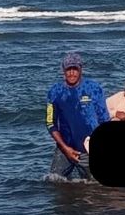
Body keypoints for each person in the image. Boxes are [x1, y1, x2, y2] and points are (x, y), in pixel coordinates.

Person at [46, 52, 110, 180]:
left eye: (75, 69)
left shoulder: (94, 88)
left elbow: (104, 119)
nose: (71, 73)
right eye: (68, 69)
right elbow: (50, 123)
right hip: (65, 149)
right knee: (53, 182)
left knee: (97, 189)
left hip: (88, 148)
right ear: (63, 70)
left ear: (81, 69)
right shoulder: (54, 91)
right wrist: (65, 148)